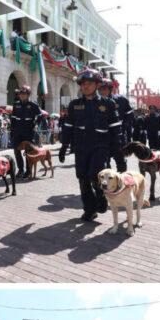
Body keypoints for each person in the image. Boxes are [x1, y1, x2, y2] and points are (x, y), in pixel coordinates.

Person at [60, 70, 120, 221]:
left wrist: (120, 156)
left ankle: (101, 198)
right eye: (83, 84)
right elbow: (68, 126)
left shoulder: (108, 104)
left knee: (94, 175)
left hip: (100, 147)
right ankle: (89, 210)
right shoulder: (75, 105)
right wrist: (64, 146)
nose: (85, 87)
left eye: (89, 84)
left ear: (97, 84)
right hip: (81, 147)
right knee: (82, 178)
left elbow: (116, 130)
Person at [97, 80, 132, 171]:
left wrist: (125, 125)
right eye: (99, 89)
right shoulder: (96, 102)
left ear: (110, 89)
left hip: (117, 135)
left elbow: (129, 113)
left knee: (120, 160)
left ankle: (122, 180)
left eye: (104, 89)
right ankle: (108, 182)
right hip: (103, 136)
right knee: (104, 161)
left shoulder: (121, 100)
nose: (101, 92)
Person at [9, 85, 41, 178]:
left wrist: (36, 124)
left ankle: (28, 170)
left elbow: (39, 116)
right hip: (17, 131)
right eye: (20, 94)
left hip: (28, 131)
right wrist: (12, 129)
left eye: (24, 94)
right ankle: (21, 170)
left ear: (28, 94)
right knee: (16, 150)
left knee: (28, 152)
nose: (22, 95)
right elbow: (13, 118)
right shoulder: (16, 104)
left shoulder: (33, 105)